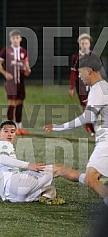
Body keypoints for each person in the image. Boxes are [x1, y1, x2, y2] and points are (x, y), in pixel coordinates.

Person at [45, 52, 108, 207]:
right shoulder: (104, 86)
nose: (79, 76)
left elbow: (87, 117)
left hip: (106, 142)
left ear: (88, 70)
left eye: (79, 72)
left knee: (91, 179)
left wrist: (59, 127)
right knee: (91, 177)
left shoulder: (97, 89)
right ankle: (66, 172)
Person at [0, 120, 84, 203]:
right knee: (59, 168)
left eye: (12, 131)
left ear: (15, 134)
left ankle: (45, 197)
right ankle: (86, 178)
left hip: (10, 197)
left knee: (50, 189)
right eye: (6, 131)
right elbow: (3, 159)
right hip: (15, 183)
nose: (9, 134)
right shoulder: (4, 144)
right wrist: (28, 165)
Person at [0, 29, 31, 135]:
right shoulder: (6, 51)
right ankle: (9, 128)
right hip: (11, 82)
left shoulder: (23, 52)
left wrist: (27, 70)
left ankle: (19, 127)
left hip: (20, 81)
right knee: (12, 103)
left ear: (20, 39)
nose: (15, 40)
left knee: (20, 103)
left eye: (17, 38)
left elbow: (26, 66)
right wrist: (5, 73)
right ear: (10, 39)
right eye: (13, 38)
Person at [68, 33, 95, 135]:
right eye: (82, 43)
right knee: (86, 106)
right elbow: (73, 72)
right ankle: (92, 128)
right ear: (79, 44)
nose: (84, 45)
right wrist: (71, 87)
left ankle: (91, 125)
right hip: (81, 85)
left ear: (89, 44)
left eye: (86, 43)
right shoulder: (75, 57)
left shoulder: (93, 56)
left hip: (92, 85)